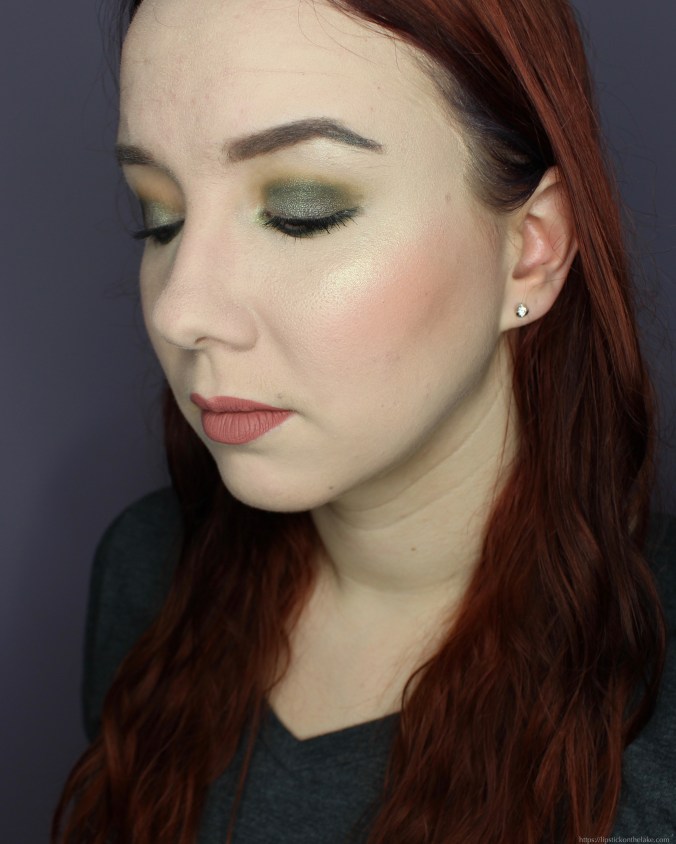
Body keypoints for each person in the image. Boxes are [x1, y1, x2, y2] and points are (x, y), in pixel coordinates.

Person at [53, 0, 675, 842]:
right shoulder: (148, 575)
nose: (180, 311)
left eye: (302, 209)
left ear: (531, 247)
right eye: (159, 217)